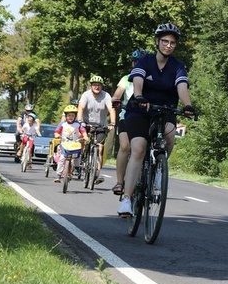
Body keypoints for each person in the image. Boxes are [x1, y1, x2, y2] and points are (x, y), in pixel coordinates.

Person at [117, 24, 195, 217]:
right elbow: (137, 81)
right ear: (157, 42)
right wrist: (139, 96)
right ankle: (126, 199)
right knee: (139, 147)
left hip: (164, 109)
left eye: (173, 43)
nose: (169, 46)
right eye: (165, 41)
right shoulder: (145, 61)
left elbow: (182, 86)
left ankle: (159, 168)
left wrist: (187, 105)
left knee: (169, 135)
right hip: (140, 110)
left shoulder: (177, 66)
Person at [110, 49, 149, 196]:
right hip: (127, 115)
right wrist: (115, 100)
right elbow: (117, 94)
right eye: (135, 62)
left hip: (146, 117)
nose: (136, 64)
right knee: (125, 147)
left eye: (140, 62)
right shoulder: (126, 78)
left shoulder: (150, 79)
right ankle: (120, 182)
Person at [77, 74, 116, 185]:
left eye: (98, 85)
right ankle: (82, 159)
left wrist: (112, 123)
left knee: (99, 147)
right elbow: (80, 108)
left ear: (102, 86)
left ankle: (97, 173)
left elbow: (111, 109)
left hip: (100, 125)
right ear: (91, 86)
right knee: (84, 141)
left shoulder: (106, 96)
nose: (96, 87)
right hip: (87, 124)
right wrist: (80, 121)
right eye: (94, 85)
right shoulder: (86, 95)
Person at [54, 105, 88, 183]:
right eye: (69, 115)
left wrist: (85, 137)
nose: (70, 117)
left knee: (77, 156)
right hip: (64, 143)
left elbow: (83, 131)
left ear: (75, 116)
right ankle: (58, 175)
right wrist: (57, 135)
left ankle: (76, 168)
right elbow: (56, 131)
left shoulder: (78, 124)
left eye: (72, 115)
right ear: (66, 116)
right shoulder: (62, 124)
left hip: (75, 144)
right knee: (62, 158)